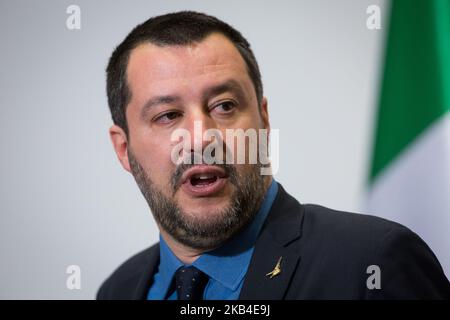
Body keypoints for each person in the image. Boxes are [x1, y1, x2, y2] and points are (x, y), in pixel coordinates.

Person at [97, 11, 450, 300]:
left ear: (263, 121)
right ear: (124, 150)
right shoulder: (118, 290)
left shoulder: (372, 263)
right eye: (168, 115)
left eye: (224, 106)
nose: (202, 137)